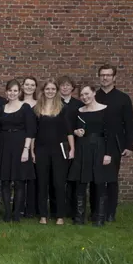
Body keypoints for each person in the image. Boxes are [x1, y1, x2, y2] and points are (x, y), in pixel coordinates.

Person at [69, 83, 118, 226]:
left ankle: (99, 217)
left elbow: (110, 134)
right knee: (80, 183)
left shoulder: (106, 110)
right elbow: (72, 129)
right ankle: (79, 218)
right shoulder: (78, 111)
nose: (84, 97)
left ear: (93, 93)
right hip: (83, 148)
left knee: (100, 184)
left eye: (87, 94)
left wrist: (108, 154)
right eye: (82, 95)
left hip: (100, 148)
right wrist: (76, 132)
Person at [94, 64, 133, 222]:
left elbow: (130, 124)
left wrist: (129, 146)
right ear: (99, 76)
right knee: (96, 179)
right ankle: (97, 211)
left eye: (108, 75)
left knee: (111, 180)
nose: (105, 78)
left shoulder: (123, 98)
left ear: (114, 77)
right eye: (102, 75)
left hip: (115, 144)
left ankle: (110, 213)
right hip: (96, 143)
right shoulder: (93, 96)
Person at [32, 80, 74, 225]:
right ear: (43, 91)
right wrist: (32, 151)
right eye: (47, 89)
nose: (50, 91)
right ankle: (43, 215)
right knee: (42, 183)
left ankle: (59, 216)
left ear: (56, 91)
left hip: (59, 150)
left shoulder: (63, 108)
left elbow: (69, 131)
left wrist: (72, 149)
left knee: (58, 182)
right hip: (41, 149)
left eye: (53, 89)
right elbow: (33, 133)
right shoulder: (37, 108)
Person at [0, 79, 36, 222]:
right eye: (10, 90)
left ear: (19, 92)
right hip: (4, 146)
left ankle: (17, 214)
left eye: (15, 90)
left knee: (20, 181)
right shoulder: (1, 108)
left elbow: (30, 130)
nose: (12, 93)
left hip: (20, 145)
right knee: (5, 181)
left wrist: (26, 149)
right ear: (6, 92)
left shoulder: (25, 107)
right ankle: (8, 213)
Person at [58, 75, 83, 217]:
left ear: (72, 88)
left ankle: (73, 208)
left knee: (73, 177)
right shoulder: (54, 103)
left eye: (68, 85)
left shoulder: (78, 104)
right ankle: (60, 208)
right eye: (62, 85)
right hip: (59, 143)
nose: (65, 87)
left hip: (76, 144)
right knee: (60, 177)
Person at [20, 76, 39, 218]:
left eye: (32, 85)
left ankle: (31, 208)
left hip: (37, 143)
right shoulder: (17, 103)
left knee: (33, 178)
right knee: (20, 177)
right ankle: (19, 206)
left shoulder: (39, 104)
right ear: (22, 86)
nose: (29, 87)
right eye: (27, 84)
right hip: (21, 143)